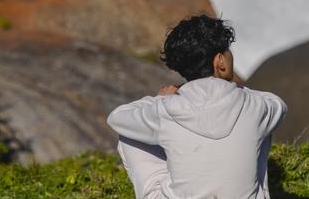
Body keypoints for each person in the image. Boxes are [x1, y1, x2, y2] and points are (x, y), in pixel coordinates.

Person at [107, 14, 287, 199]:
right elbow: (278, 105)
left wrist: (161, 100)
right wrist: (240, 91)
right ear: (220, 62)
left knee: (129, 135)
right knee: (262, 127)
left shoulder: (166, 109)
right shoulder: (255, 105)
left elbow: (117, 117)